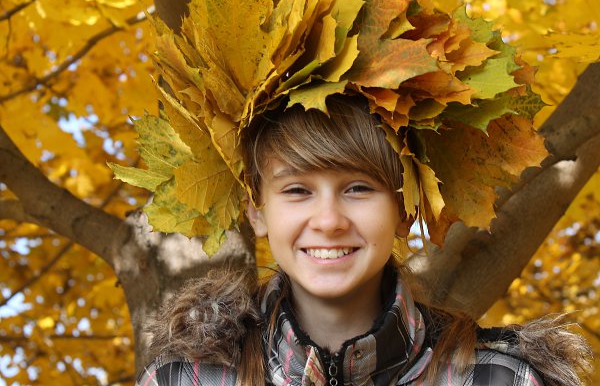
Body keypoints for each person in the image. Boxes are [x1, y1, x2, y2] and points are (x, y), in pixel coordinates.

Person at [135, 96, 591, 386]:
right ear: (257, 211)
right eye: (297, 190)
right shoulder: (187, 378)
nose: (329, 221)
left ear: (405, 208)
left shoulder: (499, 379)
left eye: (358, 188)